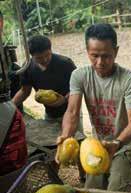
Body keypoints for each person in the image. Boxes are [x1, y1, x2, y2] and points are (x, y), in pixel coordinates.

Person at [56, 24, 131, 192]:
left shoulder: (129, 79)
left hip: (123, 145)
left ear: (116, 52)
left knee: (116, 191)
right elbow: (72, 112)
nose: (100, 62)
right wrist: (66, 136)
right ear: (87, 51)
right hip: (97, 143)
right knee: (92, 191)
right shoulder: (79, 76)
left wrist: (117, 143)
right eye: (94, 56)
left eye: (106, 56)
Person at [12, 35, 85, 180]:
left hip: (71, 110)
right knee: (53, 145)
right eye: (40, 58)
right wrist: (10, 106)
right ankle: (53, 177)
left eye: (47, 55)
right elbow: (25, 90)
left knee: (77, 142)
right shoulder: (28, 67)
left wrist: (64, 100)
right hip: (50, 113)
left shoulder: (65, 63)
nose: (45, 60)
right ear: (32, 56)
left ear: (51, 50)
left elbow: (77, 88)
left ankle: (83, 175)